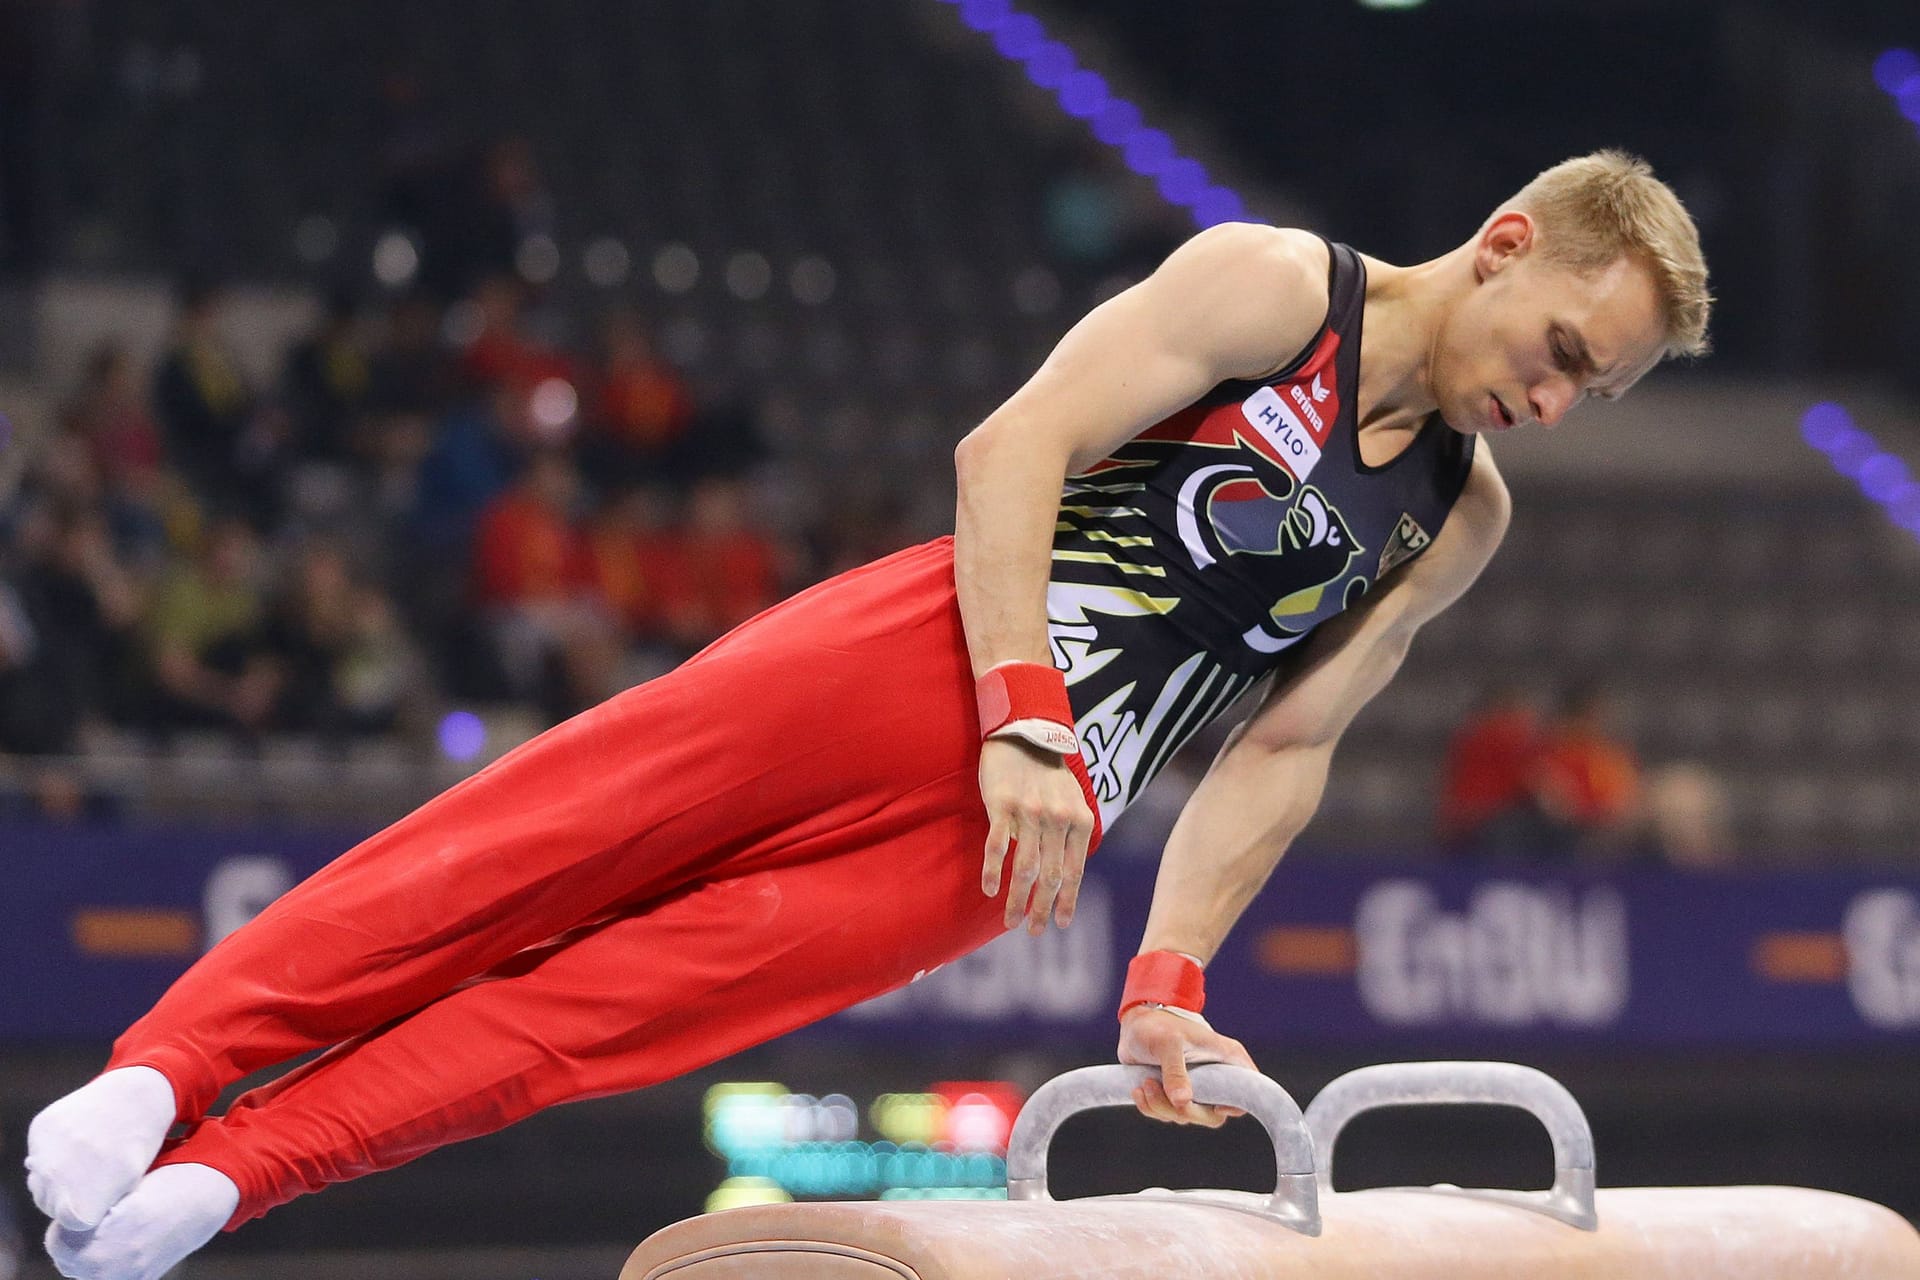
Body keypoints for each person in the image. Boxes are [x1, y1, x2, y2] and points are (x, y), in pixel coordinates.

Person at [26, 150, 1710, 1280]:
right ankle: (167, 1075)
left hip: (1012, 845)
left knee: (595, 1020)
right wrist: (1027, 710)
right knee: (518, 855)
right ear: (1504, 246)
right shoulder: (1279, 292)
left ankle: (233, 1178)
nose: (1554, 402)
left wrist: (1163, 985)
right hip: (925, 664)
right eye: (1561, 346)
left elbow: (1283, 743)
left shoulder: (1455, 517)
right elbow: (1011, 452)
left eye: (1593, 390)